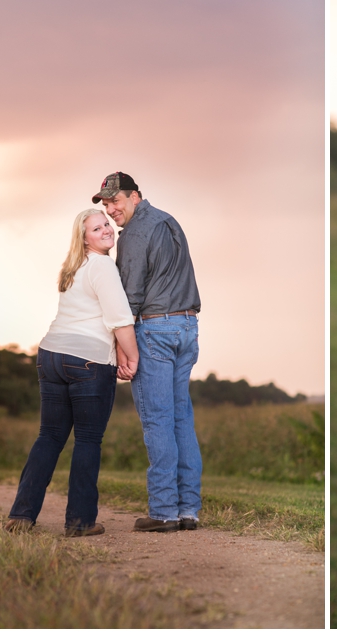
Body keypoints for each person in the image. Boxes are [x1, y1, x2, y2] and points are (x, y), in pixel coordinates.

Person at [6, 209, 139, 537]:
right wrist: (132, 357)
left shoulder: (72, 268)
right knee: (88, 440)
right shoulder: (102, 266)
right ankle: (79, 523)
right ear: (85, 238)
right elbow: (120, 319)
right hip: (88, 362)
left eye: (106, 223)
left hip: (50, 355)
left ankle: (21, 515)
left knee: (49, 436)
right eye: (97, 228)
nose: (107, 229)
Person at [92, 171, 203, 533]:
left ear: (134, 197)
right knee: (180, 419)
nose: (111, 210)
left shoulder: (136, 232)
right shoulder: (168, 220)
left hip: (156, 328)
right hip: (187, 327)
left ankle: (164, 511)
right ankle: (188, 509)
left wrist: (122, 346)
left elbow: (130, 296)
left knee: (158, 421)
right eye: (106, 204)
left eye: (116, 201)